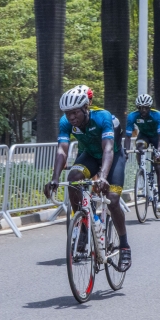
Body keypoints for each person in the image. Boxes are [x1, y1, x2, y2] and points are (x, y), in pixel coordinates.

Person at [44, 86, 131, 270]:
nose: (71, 118)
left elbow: (108, 148)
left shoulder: (103, 117)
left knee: (113, 200)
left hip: (112, 157)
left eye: (75, 113)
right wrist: (54, 178)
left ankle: (124, 245)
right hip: (89, 156)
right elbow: (62, 149)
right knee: (74, 177)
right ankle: (84, 225)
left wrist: (103, 177)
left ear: (85, 108)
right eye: (68, 114)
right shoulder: (65, 122)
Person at [124, 94, 160, 214]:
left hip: (157, 138)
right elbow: (127, 136)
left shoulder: (157, 115)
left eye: (146, 108)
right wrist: (126, 151)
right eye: (140, 108)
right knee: (139, 147)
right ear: (137, 107)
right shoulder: (132, 116)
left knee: (158, 166)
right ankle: (141, 169)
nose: (143, 110)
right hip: (144, 136)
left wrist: (158, 151)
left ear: (149, 107)